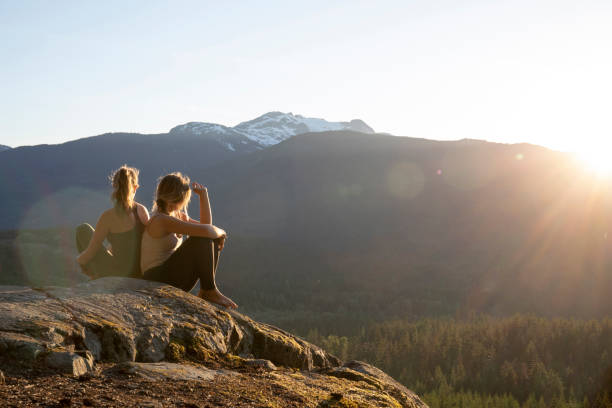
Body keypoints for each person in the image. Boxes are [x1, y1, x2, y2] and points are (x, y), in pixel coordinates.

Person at [140, 172, 237, 309]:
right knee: (202, 238)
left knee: (209, 239)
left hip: (170, 276)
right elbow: (207, 231)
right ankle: (209, 290)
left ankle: (206, 290)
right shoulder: (160, 220)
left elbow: (206, 228)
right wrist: (222, 232)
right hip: (155, 278)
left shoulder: (177, 215)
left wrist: (204, 196)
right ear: (177, 197)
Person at [76, 165, 150, 279]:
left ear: (114, 186)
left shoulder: (107, 217)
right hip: (139, 272)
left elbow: (91, 251)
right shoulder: (142, 211)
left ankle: (94, 274)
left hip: (117, 274)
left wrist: (79, 261)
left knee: (83, 229)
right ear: (135, 187)